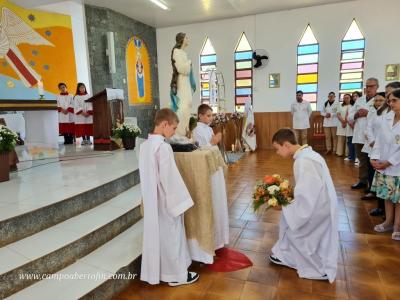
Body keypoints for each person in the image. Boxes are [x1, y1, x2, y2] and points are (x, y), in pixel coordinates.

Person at [139, 108, 199, 286]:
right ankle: (177, 276)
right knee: (173, 237)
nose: (174, 133)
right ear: (164, 124)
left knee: (159, 239)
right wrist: (179, 205)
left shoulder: (144, 146)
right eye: (173, 128)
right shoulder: (163, 148)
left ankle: (160, 272)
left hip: (152, 202)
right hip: (166, 203)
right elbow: (170, 180)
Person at [269, 128, 338, 283]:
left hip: (317, 209)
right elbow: (307, 189)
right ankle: (285, 254)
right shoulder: (309, 154)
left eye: (277, 149)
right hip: (323, 204)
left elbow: (306, 201)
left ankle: (310, 266)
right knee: (290, 221)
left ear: (286, 145)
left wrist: (284, 206)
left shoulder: (303, 161)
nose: (277, 153)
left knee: (293, 227)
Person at [192, 103, 229, 258]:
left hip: (216, 167)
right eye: (208, 115)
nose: (211, 118)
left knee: (219, 199)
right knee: (214, 199)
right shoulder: (197, 130)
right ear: (200, 116)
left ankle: (220, 238)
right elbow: (200, 151)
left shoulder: (208, 128)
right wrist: (213, 142)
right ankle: (213, 239)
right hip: (208, 170)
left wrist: (215, 142)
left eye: (211, 115)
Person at [370, 89, 400, 241]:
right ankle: (388, 222)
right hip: (383, 165)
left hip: (397, 166)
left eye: (394, 100)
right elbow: (379, 140)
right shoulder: (387, 118)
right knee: (387, 196)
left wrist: (389, 162)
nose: (391, 103)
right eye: (390, 101)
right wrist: (374, 157)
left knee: (399, 199)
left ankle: (397, 226)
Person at [348, 78, 379, 190]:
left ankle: (372, 186)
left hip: (371, 137)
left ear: (377, 87)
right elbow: (350, 116)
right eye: (367, 86)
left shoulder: (379, 100)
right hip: (358, 135)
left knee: (371, 161)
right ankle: (362, 181)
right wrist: (356, 114)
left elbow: (381, 117)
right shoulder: (359, 100)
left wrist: (368, 113)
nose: (369, 88)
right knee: (361, 160)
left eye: (371, 86)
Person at [170, 32, 196, 139]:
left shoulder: (183, 53)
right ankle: (179, 134)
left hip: (186, 82)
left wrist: (188, 63)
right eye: (186, 37)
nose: (188, 39)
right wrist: (189, 62)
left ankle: (185, 132)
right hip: (182, 82)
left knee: (188, 106)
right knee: (183, 107)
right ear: (182, 39)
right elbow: (182, 69)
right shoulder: (176, 51)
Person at [361, 92, 386, 201]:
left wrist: (377, 143)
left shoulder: (387, 112)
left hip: (381, 146)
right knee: (370, 169)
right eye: (376, 100)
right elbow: (368, 127)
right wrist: (371, 141)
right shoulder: (373, 112)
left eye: (380, 100)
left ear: (386, 101)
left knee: (379, 170)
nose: (378, 102)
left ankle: (377, 192)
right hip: (371, 144)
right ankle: (372, 190)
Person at [344, 94, 356, 162]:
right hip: (350, 126)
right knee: (350, 143)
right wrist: (350, 124)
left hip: (356, 127)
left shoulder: (359, 106)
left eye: (356, 96)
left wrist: (354, 126)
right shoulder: (349, 107)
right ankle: (351, 157)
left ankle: (357, 158)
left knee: (356, 144)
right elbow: (346, 116)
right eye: (353, 96)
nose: (354, 98)